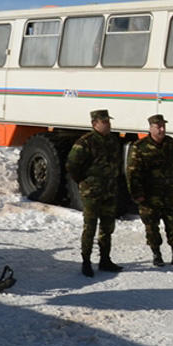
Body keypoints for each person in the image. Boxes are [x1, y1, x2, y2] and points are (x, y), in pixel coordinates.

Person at [66, 109, 126, 277]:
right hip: (92, 191)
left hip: (109, 190)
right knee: (90, 226)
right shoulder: (85, 142)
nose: (108, 124)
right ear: (95, 124)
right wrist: (84, 181)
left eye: (108, 121)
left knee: (107, 226)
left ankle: (105, 259)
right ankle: (86, 261)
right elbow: (72, 165)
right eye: (104, 121)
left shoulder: (113, 141)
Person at [126, 114, 173, 268]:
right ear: (151, 128)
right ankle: (157, 254)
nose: (161, 129)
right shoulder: (140, 147)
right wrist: (137, 194)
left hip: (170, 194)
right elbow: (133, 173)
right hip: (149, 196)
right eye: (158, 127)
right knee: (152, 227)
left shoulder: (172, 144)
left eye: (163, 126)